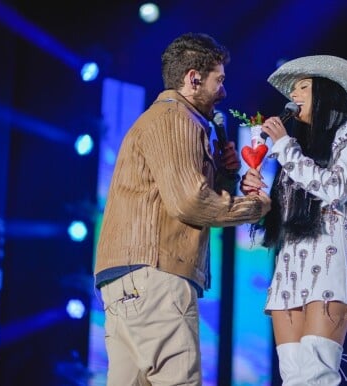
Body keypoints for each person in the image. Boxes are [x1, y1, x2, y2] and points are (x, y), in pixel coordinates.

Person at [94, 32, 271, 386]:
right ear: (193, 78)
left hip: (127, 279)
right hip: (156, 273)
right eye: (218, 80)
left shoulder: (162, 120)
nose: (224, 92)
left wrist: (223, 172)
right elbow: (190, 202)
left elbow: (179, 196)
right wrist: (254, 207)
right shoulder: (177, 118)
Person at [240, 55, 347, 385]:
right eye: (293, 89)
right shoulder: (298, 148)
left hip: (328, 258)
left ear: (329, 91)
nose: (294, 95)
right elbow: (282, 214)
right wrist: (255, 194)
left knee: (317, 373)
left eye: (303, 86)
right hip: (289, 265)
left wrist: (285, 147)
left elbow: (335, 188)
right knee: (292, 377)